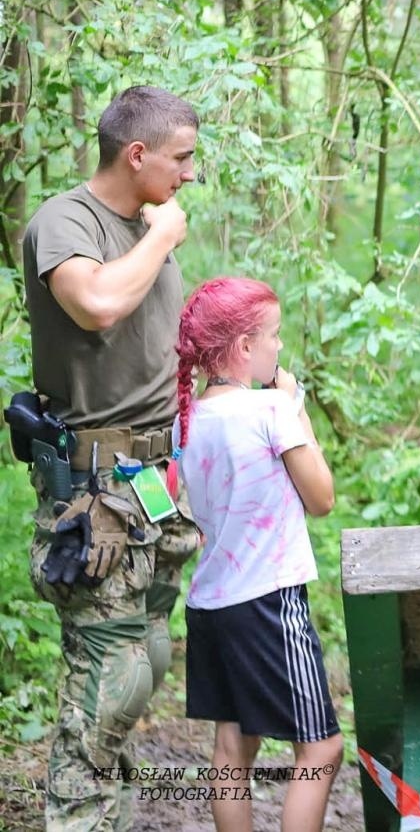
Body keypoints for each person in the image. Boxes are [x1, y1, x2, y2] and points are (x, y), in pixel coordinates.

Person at [17, 85, 203, 830]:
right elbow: (95, 304)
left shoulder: (149, 223)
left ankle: (106, 812)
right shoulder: (66, 222)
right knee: (105, 690)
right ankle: (78, 815)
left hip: (158, 488)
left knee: (145, 661)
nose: (190, 173)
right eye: (181, 158)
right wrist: (162, 238)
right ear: (137, 154)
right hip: (96, 496)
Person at [173, 277, 343, 832]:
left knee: (231, 749)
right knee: (320, 750)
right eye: (274, 336)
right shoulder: (272, 408)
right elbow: (321, 498)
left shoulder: (186, 419)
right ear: (244, 347)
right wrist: (299, 412)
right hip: (269, 603)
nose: (279, 348)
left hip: (211, 605)